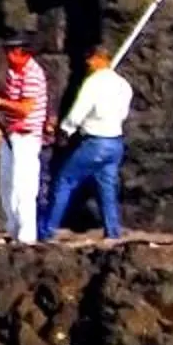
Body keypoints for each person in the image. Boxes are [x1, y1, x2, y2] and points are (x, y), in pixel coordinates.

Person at [46, 50, 134, 241]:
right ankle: (112, 232)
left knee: (65, 180)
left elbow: (80, 110)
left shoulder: (94, 82)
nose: (88, 64)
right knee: (107, 187)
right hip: (115, 142)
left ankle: (47, 230)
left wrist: (65, 130)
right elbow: (123, 114)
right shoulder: (123, 84)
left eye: (91, 59)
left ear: (99, 59)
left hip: (95, 141)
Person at [0, 39, 50, 244]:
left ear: (23, 53)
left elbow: (25, 108)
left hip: (27, 136)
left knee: (24, 186)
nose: (7, 55)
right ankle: (13, 230)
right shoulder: (13, 73)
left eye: (11, 51)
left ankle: (26, 236)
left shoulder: (33, 74)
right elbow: (12, 99)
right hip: (11, 134)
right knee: (7, 184)